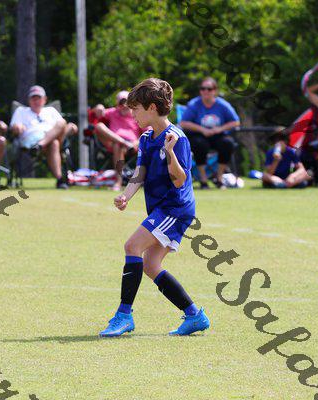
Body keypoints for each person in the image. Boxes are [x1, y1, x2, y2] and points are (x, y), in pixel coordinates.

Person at [99, 78, 210, 337]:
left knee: (132, 246)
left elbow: (179, 180)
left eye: (136, 109)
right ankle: (194, 315)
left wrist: (170, 152)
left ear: (151, 107)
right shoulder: (147, 138)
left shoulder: (177, 139)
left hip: (175, 209)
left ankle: (124, 316)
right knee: (150, 265)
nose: (132, 114)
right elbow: (140, 172)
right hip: (162, 209)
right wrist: (126, 196)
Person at [10, 85, 78, 189]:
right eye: (33, 98)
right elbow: (14, 128)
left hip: (51, 139)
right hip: (31, 141)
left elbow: (63, 127)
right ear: (29, 100)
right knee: (54, 143)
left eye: (39, 98)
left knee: (62, 123)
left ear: (45, 99)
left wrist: (70, 128)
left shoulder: (51, 110)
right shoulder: (21, 111)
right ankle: (60, 179)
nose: (36, 101)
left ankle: (40, 146)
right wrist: (18, 128)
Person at [180, 77, 240, 189]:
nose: (205, 91)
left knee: (228, 143)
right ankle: (203, 180)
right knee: (199, 144)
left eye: (209, 89)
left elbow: (235, 122)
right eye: (203, 88)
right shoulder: (194, 104)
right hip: (199, 136)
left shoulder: (222, 105)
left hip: (218, 135)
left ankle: (219, 178)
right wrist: (202, 130)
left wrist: (219, 129)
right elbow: (183, 123)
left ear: (215, 91)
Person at [93, 90, 143, 190]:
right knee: (100, 127)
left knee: (118, 145)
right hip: (115, 144)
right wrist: (98, 108)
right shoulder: (112, 112)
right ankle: (118, 182)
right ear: (117, 103)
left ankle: (118, 182)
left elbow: (148, 132)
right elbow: (94, 115)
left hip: (133, 146)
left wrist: (136, 143)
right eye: (121, 102)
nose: (124, 105)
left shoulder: (137, 113)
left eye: (126, 102)